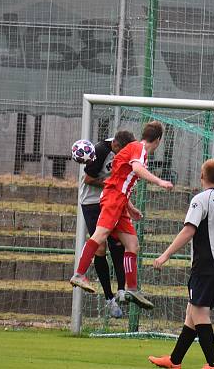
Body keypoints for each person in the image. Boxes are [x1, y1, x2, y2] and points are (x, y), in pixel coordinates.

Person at [70, 121, 173, 310]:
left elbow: (120, 178)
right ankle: (79, 274)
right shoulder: (139, 149)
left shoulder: (133, 149)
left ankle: (131, 289)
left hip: (120, 200)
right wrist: (159, 181)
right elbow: (136, 169)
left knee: (132, 245)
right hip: (113, 199)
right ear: (158, 140)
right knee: (100, 235)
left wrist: (130, 207)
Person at [148, 159, 214, 369]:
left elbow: (189, 230)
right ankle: (175, 360)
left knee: (199, 313)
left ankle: (213, 364)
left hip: (206, 265)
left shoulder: (201, 199)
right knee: (192, 313)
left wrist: (165, 255)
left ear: (202, 176)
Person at [78, 130, 136, 318]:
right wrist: (112, 184)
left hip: (112, 199)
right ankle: (108, 299)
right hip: (92, 203)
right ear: (116, 146)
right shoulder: (101, 150)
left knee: (119, 244)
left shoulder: (126, 151)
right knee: (100, 248)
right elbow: (88, 179)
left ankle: (121, 290)